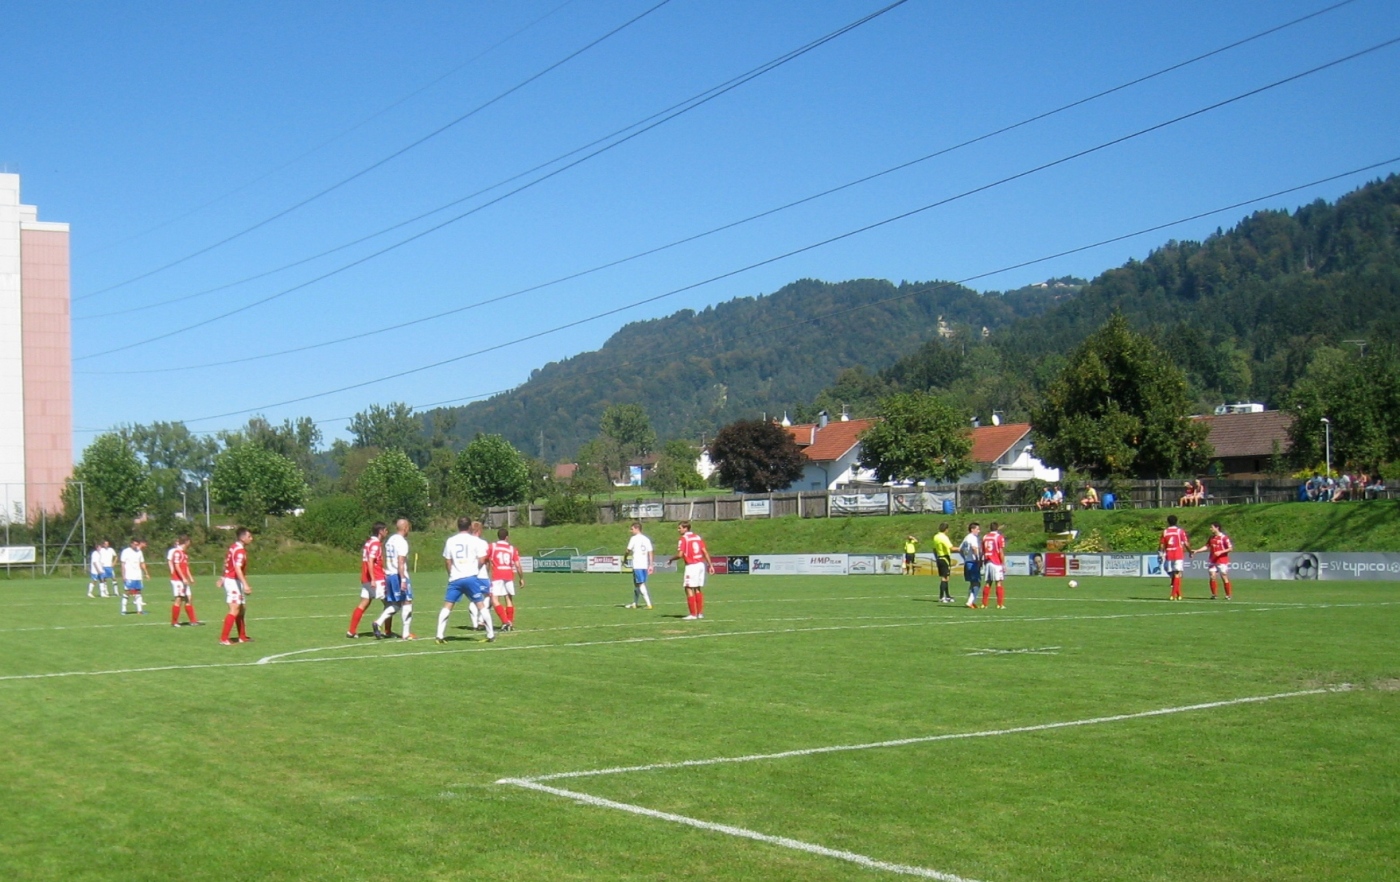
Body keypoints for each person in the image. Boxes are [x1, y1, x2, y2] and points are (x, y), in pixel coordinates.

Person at [436, 518, 493, 644]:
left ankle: (439, 635)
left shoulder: (451, 540)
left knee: (447, 606)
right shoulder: (475, 541)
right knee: (481, 605)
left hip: (455, 578)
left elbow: (447, 561)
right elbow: (482, 559)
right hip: (471, 577)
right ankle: (490, 635)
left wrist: (451, 574)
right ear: (469, 527)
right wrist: (475, 569)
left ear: (458, 526)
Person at [373, 518, 414, 640]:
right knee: (407, 601)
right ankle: (406, 633)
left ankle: (378, 622)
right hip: (398, 575)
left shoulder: (390, 540)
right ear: (405, 528)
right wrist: (403, 580)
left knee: (396, 604)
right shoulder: (402, 542)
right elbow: (400, 561)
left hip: (390, 574)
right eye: (408, 528)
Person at [347, 522, 388, 639]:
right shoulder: (375, 544)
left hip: (366, 578)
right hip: (376, 579)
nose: (387, 532)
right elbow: (370, 561)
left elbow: (372, 562)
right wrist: (373, 579)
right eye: (386, 530)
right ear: (380, 531)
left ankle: (351, 631)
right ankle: (388, 630)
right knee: (389, 604)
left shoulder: (368, 542)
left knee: (364, 603)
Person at [668, 520, 712, 620]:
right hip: (701, 565)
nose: (678, 530)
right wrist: (710, 565)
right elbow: (705, 551)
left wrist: (671, 559)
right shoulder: (697, 537)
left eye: (680, 528)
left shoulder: (684, 539)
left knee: (688, 588)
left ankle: (692, 614)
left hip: (692, 566)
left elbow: (680, 555)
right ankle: (700, 614)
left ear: (685, 528)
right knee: (697, 588)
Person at [219, 528, 254, 645]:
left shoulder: (233, 547)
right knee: (234, 609)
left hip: (233, 580)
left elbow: (226, 563)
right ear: (242, 538)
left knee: (242, 609)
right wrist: (245, 584)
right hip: (233, 581)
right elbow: (237, 568)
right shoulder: (239, 551)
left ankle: (242, 636)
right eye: (249, 536)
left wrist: (222, 577)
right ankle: (224, 638)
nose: (251, 539)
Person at [488, 527, 525, 631]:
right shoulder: (512, 549)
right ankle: (510, 623)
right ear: (507, 537)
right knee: (508, 599)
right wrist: (521, 578)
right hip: (508, 575)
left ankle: (505, 621)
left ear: (498, 536)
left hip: (497, 575)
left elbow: (485, 558)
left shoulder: (493, 546)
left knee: (494, 599)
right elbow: (517, 565)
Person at [167, 534, 202, 626]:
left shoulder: (184, 553)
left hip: (183, 580)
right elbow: (177, 566)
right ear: (186, 542)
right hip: (178, 580)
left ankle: (193, 621)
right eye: (189, 542)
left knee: (189, 598)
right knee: (179, 599)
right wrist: (183, 578)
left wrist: (190, 577)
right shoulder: (177, 552)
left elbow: (185, 567)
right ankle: (174, 622)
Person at [1194, 522, 1233, 600]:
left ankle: (1228, 595)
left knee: (1224, 576)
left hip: (1222, 560)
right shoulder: (1211, 538)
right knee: (1212, 576)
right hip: (1212, 560)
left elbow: (1230, 548)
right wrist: (1197, 551)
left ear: (1217, 528)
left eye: (1212, 527)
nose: (1210, 529)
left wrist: (1220, 552)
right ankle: (1214, 594)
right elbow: (1206, 547)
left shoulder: (1224, 537)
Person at [622, 522, 654, 609]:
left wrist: (625, 558)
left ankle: (649, 604)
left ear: (637, 529)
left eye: (632, 529)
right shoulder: (646, 539)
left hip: (637, 565)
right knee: (637, 584)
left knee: (640, 584)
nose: (631, 531)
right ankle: (635, 603)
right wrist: (651, 564)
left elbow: (628, 550)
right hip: (644, 565)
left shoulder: (634, 539)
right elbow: (650, 552)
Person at [1159, 514, 1190, 601]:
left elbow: (1161, 545)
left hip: (1169, 554)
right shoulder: (1180, 531)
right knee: (1177, 574)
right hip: (1178, 554)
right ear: (1176, 522)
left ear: (1168, 522)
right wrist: (1190, 551)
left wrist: (1161, 554)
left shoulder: (1165, 532)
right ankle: (1173, 595)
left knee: (1173, 574)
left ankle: (1178, 594)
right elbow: (1186, 543)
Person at [119, 538, 150, 616]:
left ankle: (139, 610)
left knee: (138, 592)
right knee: (128, 592)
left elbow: (142, 563)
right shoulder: (126, 552)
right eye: (135, 544)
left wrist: (146, 573)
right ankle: (123, 610)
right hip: (129, 575)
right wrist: (123, 575)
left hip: (138, 575)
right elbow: (123, 564)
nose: (136, 546)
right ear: (131, 544)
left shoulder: (139, 552)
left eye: (137, 544)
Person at [979, 523, 1006, 609]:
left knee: (988, 583)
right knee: (998, 582)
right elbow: (1001, 551)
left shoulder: (985, 537)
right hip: (996, 562)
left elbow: (982, 551)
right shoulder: (999, 537)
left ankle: (984, 604)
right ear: (997, 528)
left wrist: (981, 562)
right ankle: (1000, 605)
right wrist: (1003, 564)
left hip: (988, 562)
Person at [959, 522, 982, 608]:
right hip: (973, 563)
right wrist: (978, 559)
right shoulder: (973, 538)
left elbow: (960, 549)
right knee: (977, 583)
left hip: (967, 562)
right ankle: (970, 602)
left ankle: (970, 601)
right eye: (977, 529)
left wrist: (964, 558)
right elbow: (974, 548)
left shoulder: (966, 538)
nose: (979, 531)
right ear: (972, 529)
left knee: (972, 583)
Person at [931, 523, 955, 603]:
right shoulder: (944, 537)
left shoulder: (936, 536)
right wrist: (962, 549)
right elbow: (951, 548)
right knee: (944, 577)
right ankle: (941, 597)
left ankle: (947, 595)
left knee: (946, 577)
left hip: (939, 557)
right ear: (946, 529)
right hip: (945, 558)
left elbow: (934, 549)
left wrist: (937, 557)